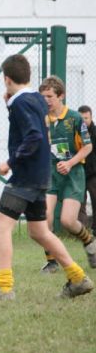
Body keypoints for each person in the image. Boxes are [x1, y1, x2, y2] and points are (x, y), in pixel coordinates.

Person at [0, 54, 93, 301]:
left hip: (24, 176)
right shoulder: (35, 99)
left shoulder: (21, 103)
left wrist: (10, 162)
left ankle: (4, 288)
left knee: (2, 227)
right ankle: (78, 278)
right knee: (39, 231)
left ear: (6, 79)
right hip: (42, 176)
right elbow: (33, 127)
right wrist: (8, 105)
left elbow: (34, 136)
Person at [38, 76, 96, 273]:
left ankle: (89, 242)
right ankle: (52, 261)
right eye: (42, 96)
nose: (45, 100)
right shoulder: (42, 120)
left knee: (68, 221)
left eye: (49, 96)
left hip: (73, 173)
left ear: (60, 96)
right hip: (51, 173)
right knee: (44, 218)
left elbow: (87, 147)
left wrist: (70, 163)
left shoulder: (74, 118)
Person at [78, 105, 96, 259]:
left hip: (93, 174)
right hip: (79, 172)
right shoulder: (75, 132)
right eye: (81, 118)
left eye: (86, 118)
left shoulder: (94, 133)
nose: (84, 121)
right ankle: (83, 232)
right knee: (79, 203)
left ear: (91, 118)